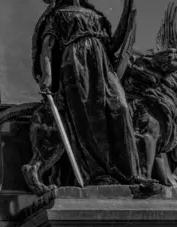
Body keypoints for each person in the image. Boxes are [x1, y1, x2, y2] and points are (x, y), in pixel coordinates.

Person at [34, 0, 152, 186]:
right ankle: (99, 173)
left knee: (120, 108)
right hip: (76, 64)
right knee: (89, 120)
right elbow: (47, 47)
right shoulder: (58, 15)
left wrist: (128, 16)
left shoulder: (96, 15)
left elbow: (112, 45)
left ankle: (129, 172)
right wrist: (47, 75)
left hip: (103, 66)